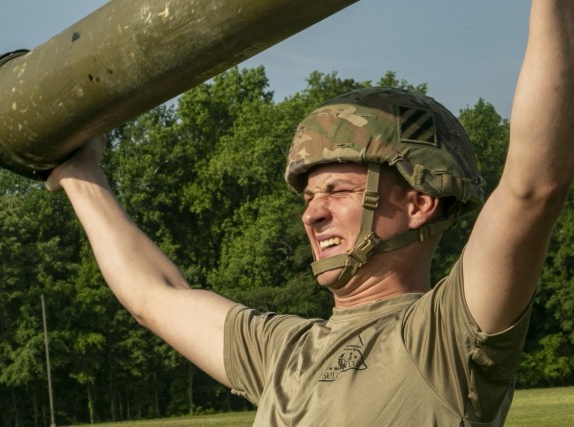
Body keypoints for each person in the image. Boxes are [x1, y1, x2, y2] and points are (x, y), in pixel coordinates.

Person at [45, 1, 574, 425]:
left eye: (338, 191)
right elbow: (154, 296)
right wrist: (79, 174)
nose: (311, 216)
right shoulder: (282, 353)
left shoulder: (444, 339)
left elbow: (533, 187)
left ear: (418, 203)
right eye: (307, 197)